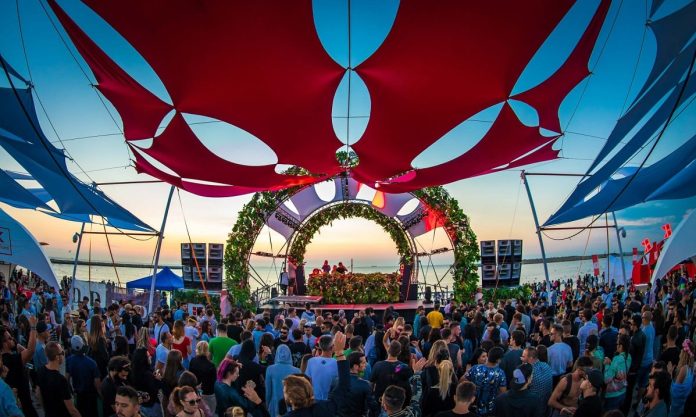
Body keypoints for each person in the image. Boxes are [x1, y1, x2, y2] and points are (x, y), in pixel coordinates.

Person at [1, 316, 38, 417]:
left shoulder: (6, 359)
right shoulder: (12, 360)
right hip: (23, 409)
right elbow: (30, 351)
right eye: (9, 338)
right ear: (4, 344)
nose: (12, 339)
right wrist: (33, 327)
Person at [36, 341, 81, 417]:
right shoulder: (61, 380)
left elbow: (38, 393)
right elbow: (72, 410)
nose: (64, 355)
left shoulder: (41, 371)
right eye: (62, 353)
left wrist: (47, 410)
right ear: (57, 357)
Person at [465, 346, 507, 416]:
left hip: (474, 405)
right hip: (490, 408)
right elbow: (503, 392)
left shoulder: (475, 368)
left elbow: (463, 381)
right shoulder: (500, 373)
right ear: (498, 360)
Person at [65, 335, 100, 417]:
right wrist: (101, 395)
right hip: (91, 395)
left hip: (79, 395)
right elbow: (97, 383)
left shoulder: (69, 360)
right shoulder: (92, 362)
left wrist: (71, 391)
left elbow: (66, 379)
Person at [266, 344, 299, 417]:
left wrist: (267, 405)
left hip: (274, 406)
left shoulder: (270, 369)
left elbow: (268, 391)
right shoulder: (297, 371)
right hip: (291, 407)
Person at [305, 335, 339, 401]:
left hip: (314, 399)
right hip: (330, 401)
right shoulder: (337, 363)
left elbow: (308, 381)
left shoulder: (311, 361)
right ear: (332, 347)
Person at [603, 333, 631, 411]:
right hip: (623, 391)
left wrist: (607, 365)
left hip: (613, 395)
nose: (616, 345)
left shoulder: (617, 359)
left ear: (621, 346)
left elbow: (606, 379)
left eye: (617, 344)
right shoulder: (629, 357)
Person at [189, 341, 218, 414]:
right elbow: (214, 381)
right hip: (208, 393)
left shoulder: (193, 361)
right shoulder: (211, 365)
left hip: (195, 392)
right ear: (207, 350)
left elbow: (190, 377)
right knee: (209, 413)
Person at [521, 347, 553, 413]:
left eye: (523, 356)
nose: (521, 358)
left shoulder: (529, 372)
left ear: (531, 358)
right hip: (546, 406)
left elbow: (520, 390)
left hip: (533, 408)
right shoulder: (546, 365)